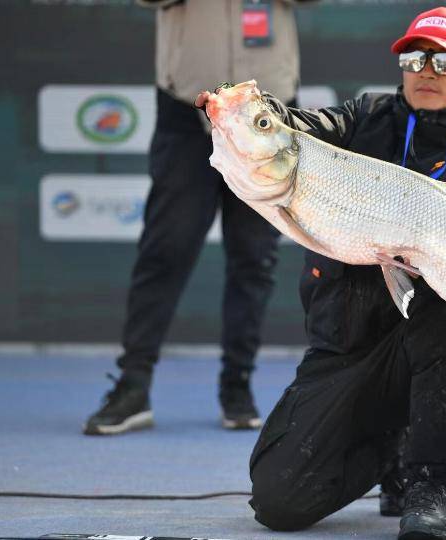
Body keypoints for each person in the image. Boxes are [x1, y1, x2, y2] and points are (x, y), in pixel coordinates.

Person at [236, 7, 446, 539]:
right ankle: (393, 446)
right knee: (278, 501)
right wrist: (252, 112)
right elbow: (299, 128)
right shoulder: (364, 116)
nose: (425, 71)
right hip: (344, 345)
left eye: (443, 61)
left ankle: (427, 477)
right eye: (415, 58)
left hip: (426, 344)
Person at [84, 0, 312, 435]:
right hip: (187, 109)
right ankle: (133, 386)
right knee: (165, 251)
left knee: (254, 257)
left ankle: (237, 387)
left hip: (266, 116)